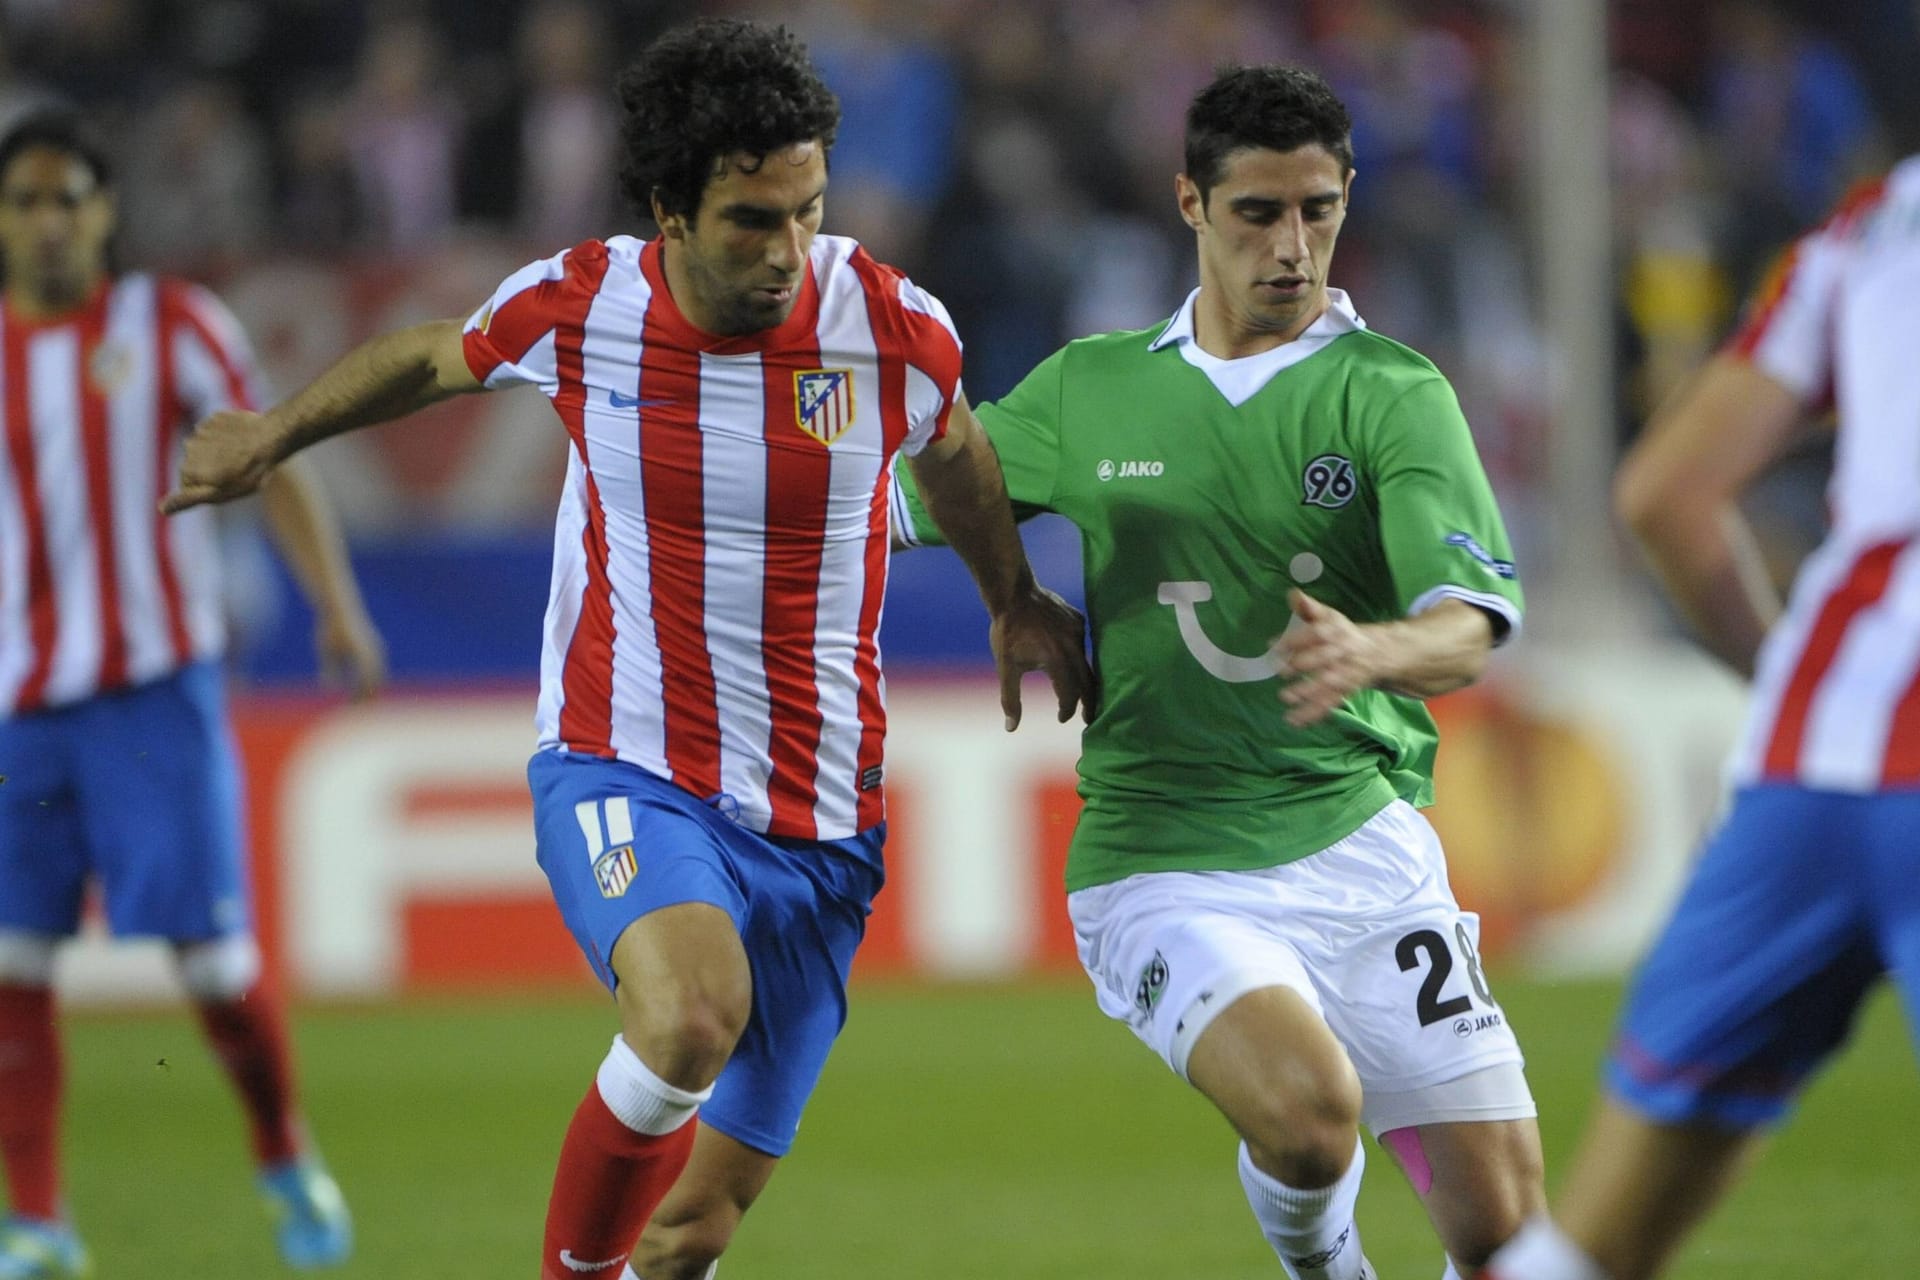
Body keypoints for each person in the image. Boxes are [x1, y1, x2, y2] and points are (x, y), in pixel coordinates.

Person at [163, 20, 1091, 1280]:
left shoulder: (888, 325)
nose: (788, 252)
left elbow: (962, 458)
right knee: (689, 1010)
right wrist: (274, 432)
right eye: (751, 221)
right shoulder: (587, 304)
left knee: (690, 1232)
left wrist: (1014, 596)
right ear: (668, 209)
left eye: (806, 212)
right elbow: (429, 356)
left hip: (824, 826)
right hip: (628, 763)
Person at [892, 65, 1542, 1280]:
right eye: (1258, 211)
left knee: (1507, 1233)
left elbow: (1475, 618)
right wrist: (1008, 595)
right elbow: (913, 489)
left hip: (1362, 842)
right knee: (1307, 1116)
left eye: (1319, 209)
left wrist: (1377, 648)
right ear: (1190, 203)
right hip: (1166, 857)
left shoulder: (1392, 395)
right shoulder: (1095, 387)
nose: (1293, 245)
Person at [1478, 161, 1920, 1280]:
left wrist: (1799, 691)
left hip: (1814, 760)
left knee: (1591, 1248)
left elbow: (1663, 496)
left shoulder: (1876, 224)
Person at [0, 111, 381, 1276]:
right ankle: (41, 1221)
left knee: (213, 964)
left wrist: (335, 603)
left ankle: (281, 1149)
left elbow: (268, 458)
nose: (50, 221)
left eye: (71, 197)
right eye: (27, 200)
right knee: (13, 964)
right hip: (19, 704)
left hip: (155, 693)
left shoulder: (169, 326)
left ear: (106, 211)